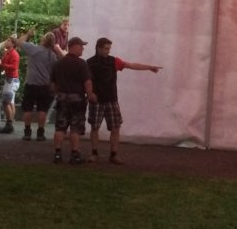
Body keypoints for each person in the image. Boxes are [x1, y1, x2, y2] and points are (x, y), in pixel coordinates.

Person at [86, 37, 162, 165]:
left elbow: (130, 65)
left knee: (115, 127)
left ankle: (113, 155)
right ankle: (94, 153)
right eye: (106, 49)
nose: (108, 51)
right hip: (97, 100)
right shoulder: (89, 63)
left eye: (109, 48)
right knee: (95, 127)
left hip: (111, 99)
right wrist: (89, 94)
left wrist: (149, 67)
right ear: (98, 48)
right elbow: (86, 80)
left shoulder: (113, 61)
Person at [50, 36, 96, 164]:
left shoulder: (58, 63)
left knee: (60, 127)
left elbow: (53, 84)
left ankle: (57, 154)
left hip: (62, 99)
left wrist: (57, 93)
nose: (82, 49)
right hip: (77, 100)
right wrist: (90, 95)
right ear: (75, 47)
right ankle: (74, 154)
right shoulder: (81, 63)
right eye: (81, 46)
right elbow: (87, 82)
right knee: (75, 128)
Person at [17, 31, 58, 141]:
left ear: (43, 39)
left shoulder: (33, 49)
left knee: (28, 109)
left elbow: (19, 42)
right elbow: (53, 72)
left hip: (31, 83)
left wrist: (27, 34)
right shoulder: (52, 56)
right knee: (42, 110)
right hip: (44, 85)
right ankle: (40, 133)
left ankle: (27, 132)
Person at [0, 36, 20, 133]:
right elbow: (1, 64)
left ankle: (9, 124)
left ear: (13, 44)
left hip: (11, 80)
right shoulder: (8, 53)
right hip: (11, 80)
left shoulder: (14, 54)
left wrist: (0, 65)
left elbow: (13, 67)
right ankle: (10, 124)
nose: (6, 42)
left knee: (6, 102)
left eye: (8, 41)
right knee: (10, 102)